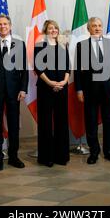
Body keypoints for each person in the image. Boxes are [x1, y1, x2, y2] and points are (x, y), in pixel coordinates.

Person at [75, 17, 110, 164]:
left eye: (99, 25)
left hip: (109, 91)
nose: (97, 28)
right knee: (91, 121)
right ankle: (94, 151)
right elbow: (78, 70)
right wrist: (79, 90)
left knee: (109, 121)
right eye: (94, 26)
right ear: (88, 29)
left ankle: (109, 151)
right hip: (90, 90)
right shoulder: (81, 45)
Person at [0, 14, 28, 171]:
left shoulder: (20, 44)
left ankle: (14, 156)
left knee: (14, 124)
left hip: (14, 91)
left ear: (10, 26)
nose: (2, 26)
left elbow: (24, 70)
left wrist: (23, 88)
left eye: (5, 24)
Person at [34, 20, 70, 167]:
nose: (53, 30)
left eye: (55, 28)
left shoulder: (63, 45)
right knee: (46, 123)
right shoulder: (40, 45)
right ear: (45, 31)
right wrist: (50, 83)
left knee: (61, 122)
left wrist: (63, 82)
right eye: (50, 28)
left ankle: (61, 157)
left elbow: (68, 67)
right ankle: (46, 157)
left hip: (62, 88)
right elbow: (38, 67)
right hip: (45, 88)